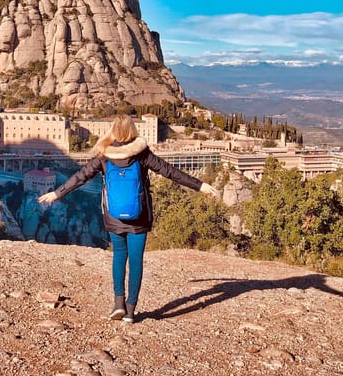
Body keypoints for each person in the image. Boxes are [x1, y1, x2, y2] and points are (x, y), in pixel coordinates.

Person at [38, 114, 218, 323]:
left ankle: (118, 304)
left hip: (114, 216)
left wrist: (57, 193)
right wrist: (199, 185)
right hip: (139, 216)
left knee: (119, 256)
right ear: (132, 130)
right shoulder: (141, 154)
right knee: (136, 262)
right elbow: (170, 172)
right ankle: (131, 311)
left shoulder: (104, 155)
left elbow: (81, 176)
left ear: (113, 131)